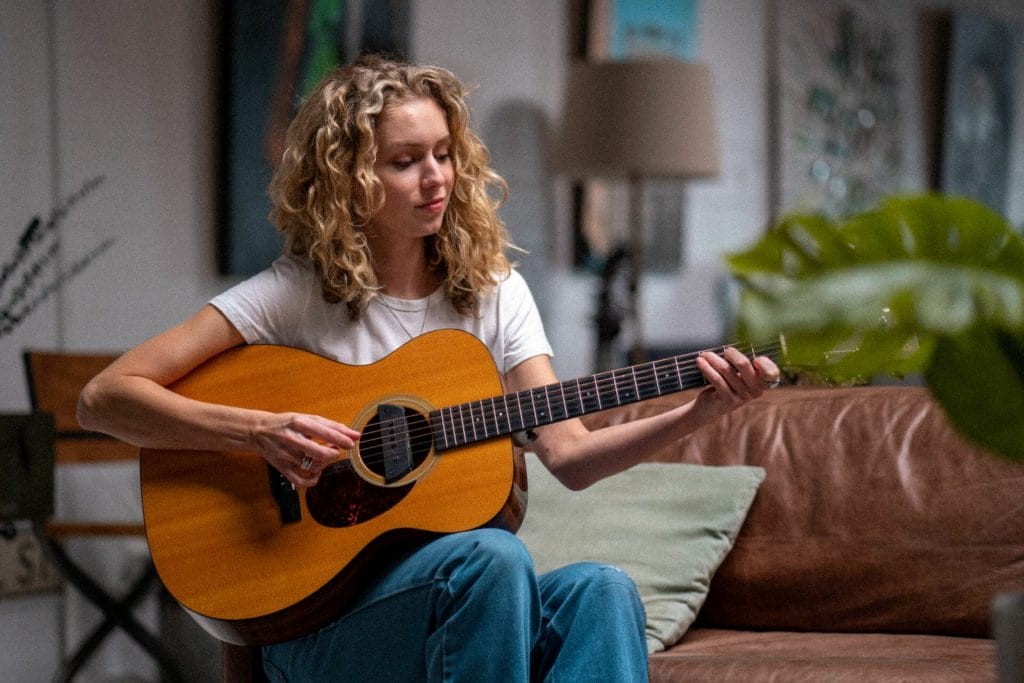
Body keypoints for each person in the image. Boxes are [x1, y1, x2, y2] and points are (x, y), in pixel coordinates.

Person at [78, 55, 779, 682]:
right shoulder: (295, 293)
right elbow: (105, 397)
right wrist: (257, 430)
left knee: (604, 590)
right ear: (349, 178)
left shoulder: (495, 292)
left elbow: (569, 454)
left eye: (444, 153)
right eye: (405, 160)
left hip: (463, 606)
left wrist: (699, 411)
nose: (435, 176)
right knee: (494, 560)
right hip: (314, 627)